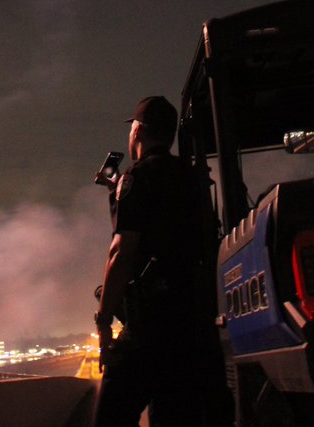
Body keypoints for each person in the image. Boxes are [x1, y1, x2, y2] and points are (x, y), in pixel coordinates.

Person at [94, 96, 233, 426]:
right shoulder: (192, 178)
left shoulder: (135, 179)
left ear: (138, 130)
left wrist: (103, 324)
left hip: (148, 326)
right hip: (189, 325)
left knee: (111, 418)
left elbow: (121, 253)